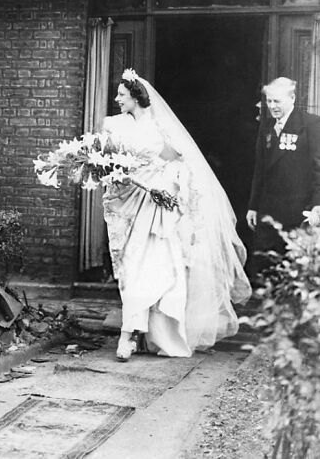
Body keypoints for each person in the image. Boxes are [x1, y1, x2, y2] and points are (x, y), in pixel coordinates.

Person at [102, 70, 251, 361]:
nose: (117, 99)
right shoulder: (115, 126)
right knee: (133, 269)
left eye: (122, 94)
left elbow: (181, 165)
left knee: (158, 271)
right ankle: (132, 334)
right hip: (131, 204)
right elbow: (111, 165)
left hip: (158, 211)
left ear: (136, 97)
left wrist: (165, 191)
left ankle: (144, 336)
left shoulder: (160, 128)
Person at [246, 77, 320, 281]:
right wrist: (253, 206)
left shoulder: (311, 124)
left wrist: (316, 206)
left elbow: (318, 170)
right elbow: (260, 170)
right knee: (264, 267)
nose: (272, 106)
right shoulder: (267, 127)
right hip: (269, 208)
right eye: (269, 101)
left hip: (298, 210)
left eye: (277, 101)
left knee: (292, 268)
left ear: (292, 98)